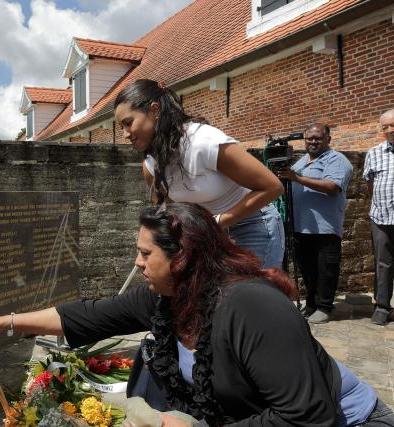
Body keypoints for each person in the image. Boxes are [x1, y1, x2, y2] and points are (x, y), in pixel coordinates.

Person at [0, 203, 391, 426]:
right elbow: (85, 317)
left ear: (181, 257)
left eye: (145, 254)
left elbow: (307, 416)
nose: (137, 265)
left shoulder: (252, 306)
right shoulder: (169, 297)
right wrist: (0, 323)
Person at [114, 79, 284, 268]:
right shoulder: (150, 166)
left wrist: (216, 222)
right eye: (121, 127)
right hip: (207, 233)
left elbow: (272, 187)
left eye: (128, 123)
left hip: (251, 224)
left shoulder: (204, 142)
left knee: (249, 294)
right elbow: (170, 210)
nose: (125, 134)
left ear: (155, 110)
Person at [278, 124, 353, 324]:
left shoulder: (337, 160)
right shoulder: (301, 162)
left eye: (318, 138)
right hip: (301, 226)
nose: (313, 142)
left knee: (326, 269)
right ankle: (311, 304)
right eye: (309, 138)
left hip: (325, 227)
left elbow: (332, 187)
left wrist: (297, 178)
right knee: (307, 269)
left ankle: (325, 307)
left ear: (328, 139)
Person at [364, 109, 394, 326]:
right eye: (385, 127)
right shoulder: (374, 153)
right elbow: (370, 185)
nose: (389, 130)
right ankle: (382, 307)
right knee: (383, 263)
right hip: (381, 217)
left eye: (392, 125)